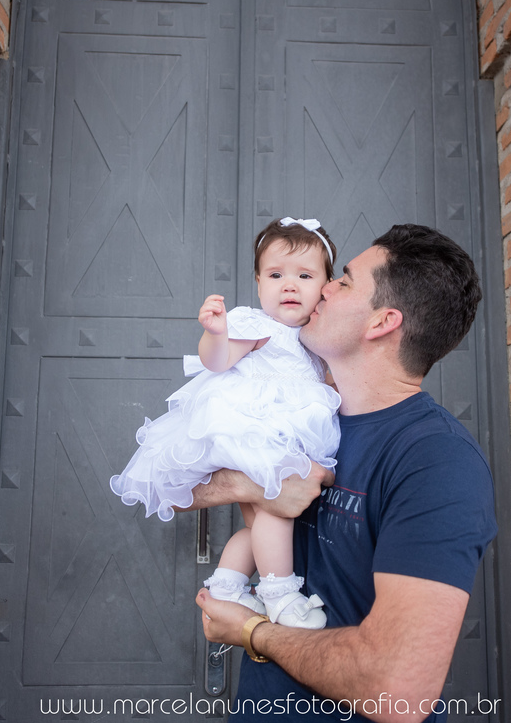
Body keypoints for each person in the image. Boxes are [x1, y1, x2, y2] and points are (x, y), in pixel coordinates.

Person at [190, 223, 498, 723]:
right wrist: (256, 485)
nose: (324, 286)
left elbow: (398, 692)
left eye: (345, 281)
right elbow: (179, 488)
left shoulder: (438, 462)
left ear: (382, 322)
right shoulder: (306, 419)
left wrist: (250, 631)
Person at [111, 218, 342, 628]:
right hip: (251, 426)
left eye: (304, 276)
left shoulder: (316, 339)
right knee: (274, 511)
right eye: (276, 275)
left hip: (287, 433)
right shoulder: (258, 326)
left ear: (325, 287)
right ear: (257, 283)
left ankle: (227, 585)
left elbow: (330, 384)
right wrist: (216, 333)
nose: (289, 285)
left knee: (259, 522)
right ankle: (281, 593)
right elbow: (217, 362)